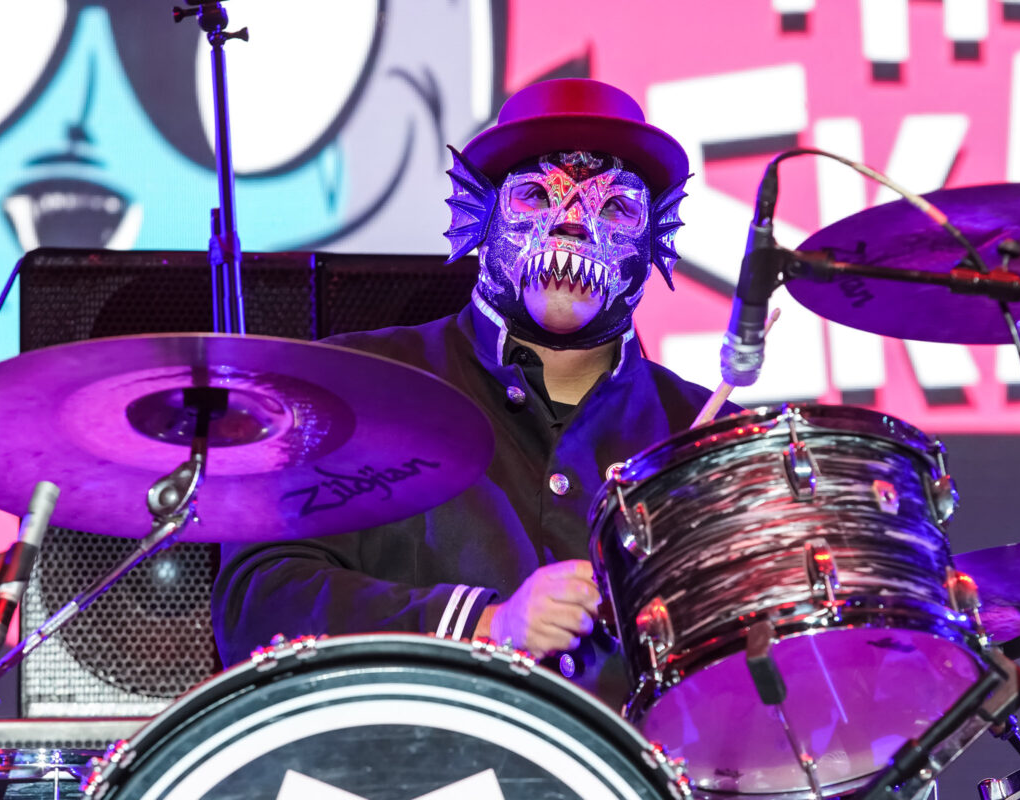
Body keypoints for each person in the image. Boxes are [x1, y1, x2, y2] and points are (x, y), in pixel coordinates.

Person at [212, 78, 741, 706]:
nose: (572, 226)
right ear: (481, 213)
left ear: (656, 236)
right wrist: (484, 626)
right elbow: (258, 602)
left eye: (617, 208)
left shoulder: (711, 438)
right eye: (535, 196)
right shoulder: (351, 386)